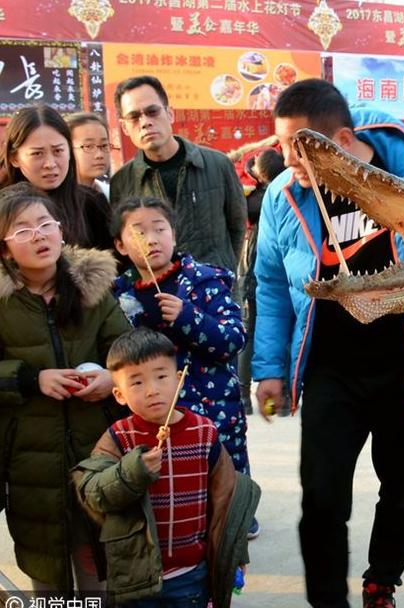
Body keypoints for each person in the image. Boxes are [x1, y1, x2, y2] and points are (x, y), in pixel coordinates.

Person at [252, 78, 404, 608]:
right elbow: (269, 283)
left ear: (341, 139)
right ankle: (327, 601)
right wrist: (269, 367)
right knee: (321, 497)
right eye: (282, 147)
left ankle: (381, 581)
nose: (289, 161)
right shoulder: (284, 195)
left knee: (403, 489)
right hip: (329, 369)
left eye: (301, 149)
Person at [0, 187, 131, 594]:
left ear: (61, 231)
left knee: (100, 579)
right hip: (28, 464)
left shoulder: (92, 290)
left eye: (45, 224)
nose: (38, 236)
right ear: (4, 249)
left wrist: (113, 380)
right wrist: (29, 379)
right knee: (48, 580)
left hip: (98, 455)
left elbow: (128, 353)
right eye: (22, 230)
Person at [73, 327, 260, 608]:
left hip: (192, 577)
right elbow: (91, 492)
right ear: (119, 394)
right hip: (136, 579)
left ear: (178, 379)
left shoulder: (204, 432)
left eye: (161, 376)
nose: (152, 390)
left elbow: (228, 503)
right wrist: (132, 472)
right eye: (136, 383)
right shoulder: (119, 436)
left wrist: (235, 555)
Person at [109, 196, 253, 531]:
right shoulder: (118, 297)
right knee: (172, 505)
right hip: (153, 419)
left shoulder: (203, 282)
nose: (151, 239)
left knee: (224, 499)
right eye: (138, 232)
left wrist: (188, 317)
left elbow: (232, 340)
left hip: (213, 412)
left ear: (173, 234)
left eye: (159, 228)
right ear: (120, 245)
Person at [111, 75, 246, 271]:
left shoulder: (217, 164)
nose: (145, 122)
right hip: (158, 294)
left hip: (216, 292)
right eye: (134, 117)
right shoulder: (122, 181)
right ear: (124, 127)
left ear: (170, 113)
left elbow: (237, 226)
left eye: (152, 111)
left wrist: (224, 272)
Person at [0, 104, 113, 251]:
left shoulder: (92, 204)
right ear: (14, 158)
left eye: (58, 150)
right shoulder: (3, 209)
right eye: (37, 153)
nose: (50, 164)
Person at [237, 148, 288, 416]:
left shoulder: (253, 197)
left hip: (253, 266)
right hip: (276, 269)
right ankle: (287, 397)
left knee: (250, 331)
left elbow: (246, 166)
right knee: (287, 329)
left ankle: (244, 395)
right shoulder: (288, 194)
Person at [65, 112, 112, 199]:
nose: (99, 155)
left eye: (104, 145)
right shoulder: (58, 199)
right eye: (88, 146)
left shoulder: (110, 194)